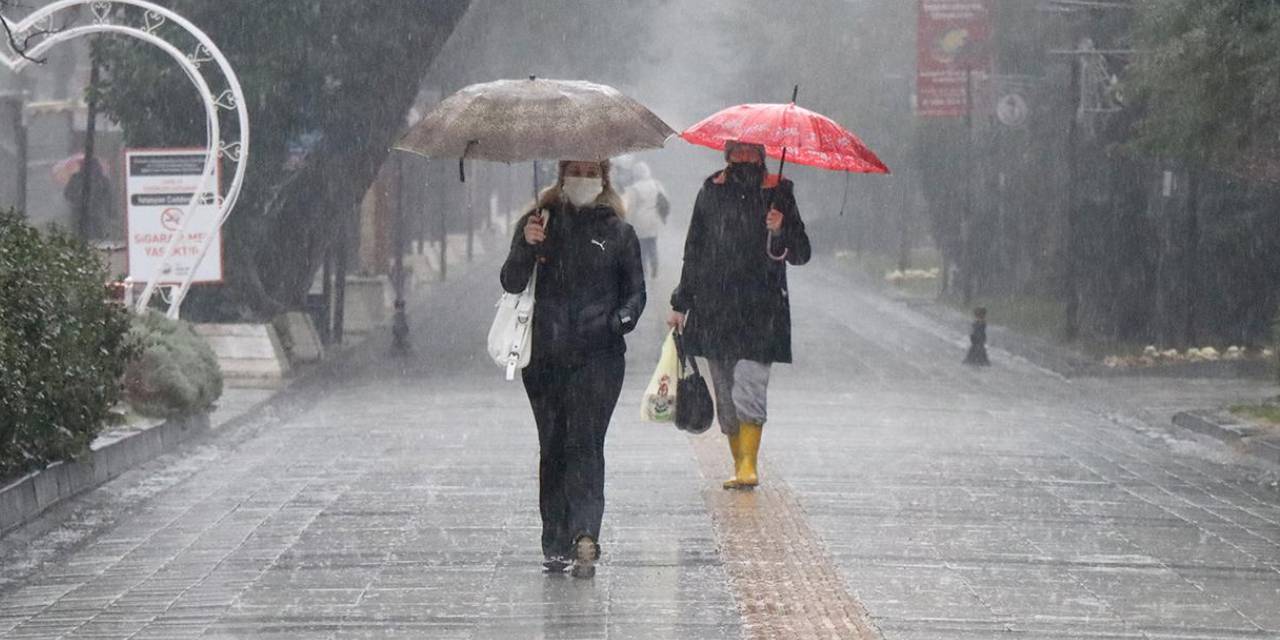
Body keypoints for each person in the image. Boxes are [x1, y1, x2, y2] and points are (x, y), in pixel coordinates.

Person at [500, 159, 646, 578]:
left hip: (599, 358)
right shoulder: (539, 223)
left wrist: (617, 322)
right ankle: (555, 539)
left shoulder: (619, 232)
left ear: (604, 177)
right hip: (545, 355)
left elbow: (636, 293)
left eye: (591, 170)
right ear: (561, 175)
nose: (583, 178)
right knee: (554, 445)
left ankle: (584, 532)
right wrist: (527, 245)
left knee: (585, 441)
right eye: (575, 169)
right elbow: (511, 281)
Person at [667, 140, 811, 490]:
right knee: (725, 393)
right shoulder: (710, 190)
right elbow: (694, 250)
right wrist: (680, 302)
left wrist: (780, 230)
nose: (744, 158)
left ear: (763, 156)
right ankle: (737, 461)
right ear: (727, 154)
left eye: (751, 152)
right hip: (714, 308)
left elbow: (801, 252)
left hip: (762, 311)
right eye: (737, 151)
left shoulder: (780, 192)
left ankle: (749, 464)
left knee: (750, 385)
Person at [621, 161, 670, 278]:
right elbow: (664, 201)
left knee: (641, 248)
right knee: (652, 245)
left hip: (640, 221)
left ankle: (644, 272)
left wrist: (627, 223)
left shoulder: (633, 189)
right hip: (654, 220)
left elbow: (630, 208)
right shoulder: (656, 185)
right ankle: (655, 269)